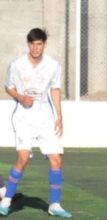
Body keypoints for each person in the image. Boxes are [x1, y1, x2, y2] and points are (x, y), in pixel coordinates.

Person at [0, 28, 72, 218]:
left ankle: (55, 205)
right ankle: (6, 200)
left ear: (44, 44)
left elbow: (55, 90)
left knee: (56, 159)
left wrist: (60, 116)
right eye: (32, 44)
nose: (36, 47)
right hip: (23, 117)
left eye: (39, 44)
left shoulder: (53, 65)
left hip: (46, 118)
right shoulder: (17, 65)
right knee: (23, 158)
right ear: (28, 44)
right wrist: (20, 97)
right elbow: (8, 87)